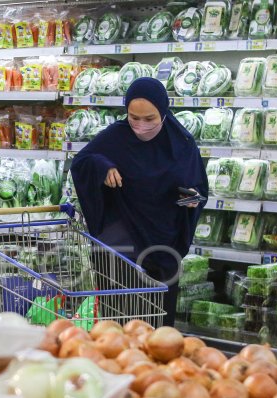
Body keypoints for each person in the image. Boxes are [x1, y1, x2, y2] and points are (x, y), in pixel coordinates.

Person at [70, 77, 208, 327]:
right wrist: (103, 166)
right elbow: (82, 162)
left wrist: (192, 198)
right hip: (119, 248)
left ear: (164, 113)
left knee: (157, 327)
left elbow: (198, 185)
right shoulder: (115, 137)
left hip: (162, 247)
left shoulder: (182, 144)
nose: (141, 126)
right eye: (134, 118)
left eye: (150, 119)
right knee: (118, 328)